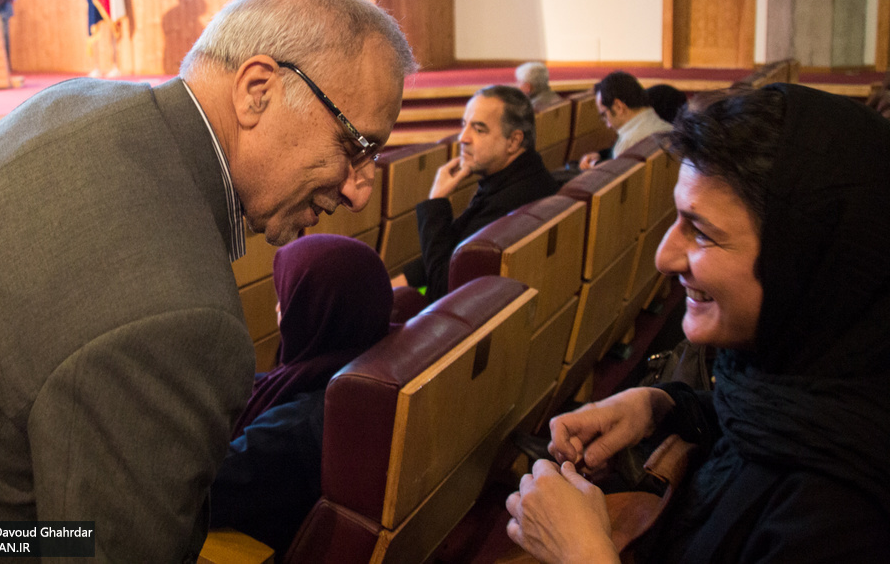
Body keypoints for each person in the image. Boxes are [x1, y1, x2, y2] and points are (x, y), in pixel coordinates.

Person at [0, 0, 415, 562]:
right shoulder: (181, 319)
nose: (360, 191)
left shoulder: (72, 102)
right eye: (355, 146)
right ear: (258, 91)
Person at [506, 84, 890, 563]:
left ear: (811, 264)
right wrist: (663, 407)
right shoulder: (818, 367)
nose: (664, 257)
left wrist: (582, 554)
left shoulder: (850, 519)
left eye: (701, 232)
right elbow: (775, 426)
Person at [209, 234, 393, 553]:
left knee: (108, 528)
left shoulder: (293, 431)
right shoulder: (363, 365)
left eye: (288, 298)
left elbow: (192, 494)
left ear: (315, 313)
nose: (278, 308)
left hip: (240, 546)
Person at [397, 85, 560, 302]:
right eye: (464, 125)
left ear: (513, 141)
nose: (463, 138)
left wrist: (436, 201)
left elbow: (442, 288)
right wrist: (399, 281)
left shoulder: (509, 204)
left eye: (479, 129)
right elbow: (454, 251)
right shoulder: (523, 179)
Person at [579, 71, 672, 169]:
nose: (608, 125)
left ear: (619, 107)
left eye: (604, 115)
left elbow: (614, 174)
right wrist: (600, 155)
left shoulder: (627, 144)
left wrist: (594, 166)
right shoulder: (665, 127)